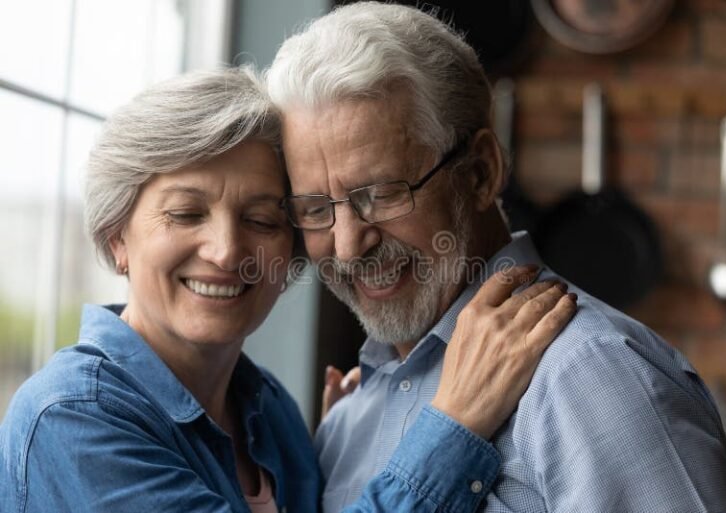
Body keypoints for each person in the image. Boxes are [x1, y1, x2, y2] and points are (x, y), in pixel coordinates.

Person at [0, 67, 577, 513]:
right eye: (185, 214)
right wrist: (453, 425)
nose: (226, 251)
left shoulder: (270, 410)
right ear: (116, 239)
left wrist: (345, 449)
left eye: (262, 219)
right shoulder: (71, 417)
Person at [265, 2, 726, 512]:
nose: (346, 244)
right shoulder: (345, 420)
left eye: (381, 194)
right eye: (316, 209)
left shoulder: (591, 376)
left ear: (480, 174)